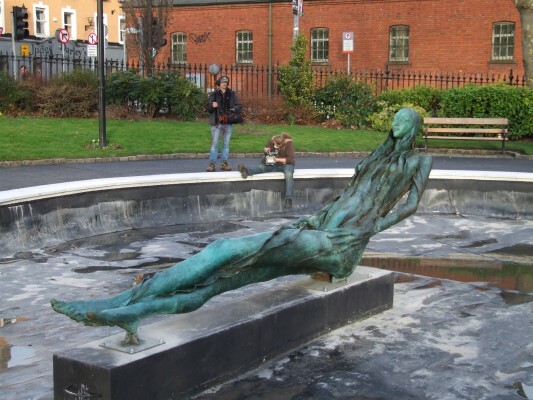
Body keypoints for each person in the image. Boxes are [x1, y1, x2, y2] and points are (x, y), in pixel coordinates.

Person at [51, 108, 432, 344]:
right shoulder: (377, 156)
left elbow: (411, 205)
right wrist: (319, 218)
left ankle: (125, 304)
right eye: (394, 118)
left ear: (414, 126)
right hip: (322, 227)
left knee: (225, 251)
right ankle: (131, 308)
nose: (395, 123)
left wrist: (367, 231)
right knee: (227, 279)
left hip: (341, 245)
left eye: (403, 119)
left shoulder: (419, 162)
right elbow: (350, 194)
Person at [238, 133, 295, 208]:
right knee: (262, 167)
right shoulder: (272, 141)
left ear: (281, 144)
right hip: (274, 164)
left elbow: (290, 159)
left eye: (276, 145)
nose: (274, 146)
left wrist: (277, 159)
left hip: (286, 164)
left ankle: (288, 199)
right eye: (274, 144)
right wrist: (266, 150)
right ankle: (245, 170)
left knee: (289, 174)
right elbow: (265, 149)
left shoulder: (288, 144)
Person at [205, 76, 242, 172]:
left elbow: (238, 105)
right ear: (219, 84)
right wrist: (212, 105)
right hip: (216, 123)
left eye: (226, 82)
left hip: (228, 122)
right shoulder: (214, 94)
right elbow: (208, 108)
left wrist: (233, 109)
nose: (225, 83)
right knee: (214, 144)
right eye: (223, 82)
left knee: (226, 144)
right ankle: (212, 163)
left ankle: (224, 163)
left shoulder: (232, 94)